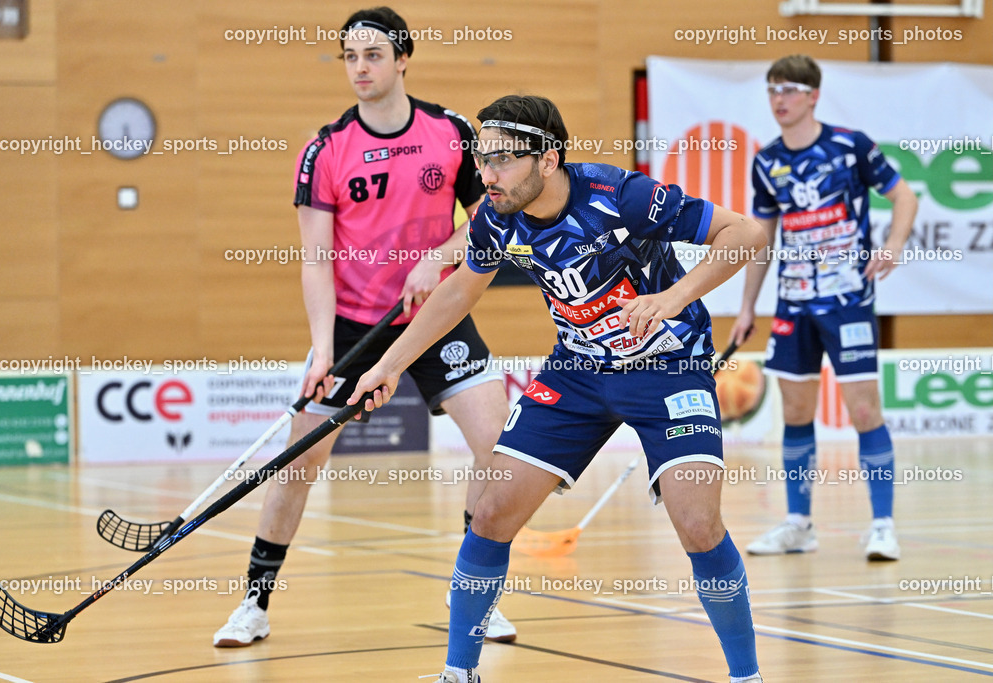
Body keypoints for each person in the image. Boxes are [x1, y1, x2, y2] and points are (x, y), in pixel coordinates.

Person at [350, 95, 767, 683]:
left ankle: (746, 676)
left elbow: (744, 234)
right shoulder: (496, 215)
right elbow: (458, 292)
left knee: (698, 524)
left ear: (547, 160)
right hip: (577, 372)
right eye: (481, 159)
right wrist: (390, 364)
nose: (485, 176)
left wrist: (671, 300)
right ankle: (458, 673)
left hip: (670, 369)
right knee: (491, 510)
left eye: (499, 161)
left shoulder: (622, 196)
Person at [213, 7, 517, 647]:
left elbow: (492, 212)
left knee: (498, 444)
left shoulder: (452, 132)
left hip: (437, 316)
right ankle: (254, 603)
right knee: (299, 463)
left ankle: (475, 597)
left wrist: (439, 255)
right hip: (355, 324)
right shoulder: (325, 149)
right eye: (350, 56)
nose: (360, 67)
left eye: (373, 55)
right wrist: (323, 346)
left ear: (403, 58)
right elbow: (315, 257)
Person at [731, 55, 918, 561]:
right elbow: (761, 237)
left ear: (813, 95)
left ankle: (882, 525)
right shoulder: (767, 161)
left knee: (862, 409)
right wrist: (748, 306)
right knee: (795, 410)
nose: (779, 100)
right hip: (794, 301)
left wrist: (894, 246)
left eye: (789, 90)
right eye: (772, 90)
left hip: (848, 301)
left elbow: (904, 197)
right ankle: (798, 523)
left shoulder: (849, 146)